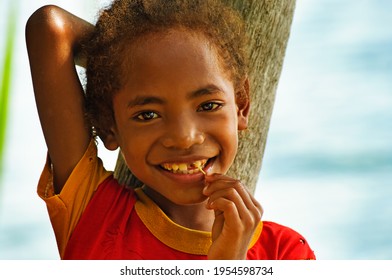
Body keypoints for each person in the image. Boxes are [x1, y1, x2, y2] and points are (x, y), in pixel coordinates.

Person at [26, 0, 315, 260]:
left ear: (241, 105)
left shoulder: (285, 253)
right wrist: (117, 59)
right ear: (108, 127)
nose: (184, 137)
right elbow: (50, 29)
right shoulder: (94, 214)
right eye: (148, 114)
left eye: (208, 106)